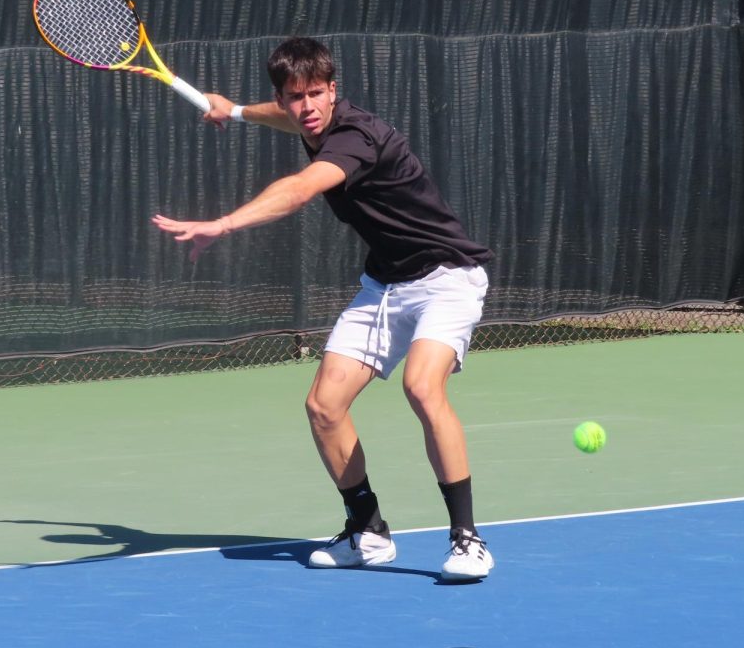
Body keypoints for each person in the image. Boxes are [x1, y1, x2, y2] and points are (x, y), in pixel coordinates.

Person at [151, 37, 494, 581]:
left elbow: (301, 188)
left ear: (335, 91)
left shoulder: (356, 138)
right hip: (385, 285)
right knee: (324, 405)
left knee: (423, 387)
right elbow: (283, 118)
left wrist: (223, 224)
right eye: (295, 96)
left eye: (316, 94)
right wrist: (234, 109)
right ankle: (368, 531)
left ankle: (468, 540)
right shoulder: (305, 117)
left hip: (447, 277)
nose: (306, 107)